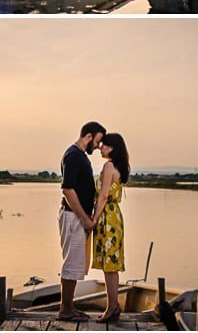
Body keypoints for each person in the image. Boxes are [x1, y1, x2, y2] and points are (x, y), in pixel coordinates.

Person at [58, 120, 106, 322]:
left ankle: (69, 307)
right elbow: (68, 189)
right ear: (89, 135)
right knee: (71, 263)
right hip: (73, 217)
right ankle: (65, 310)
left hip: (76, 217)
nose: (98, 146)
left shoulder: (78, 156)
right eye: (97, 141)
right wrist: (85, 218)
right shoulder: (74, 156)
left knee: (76, 264)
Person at [90, 133, 130, 323]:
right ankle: (113, 306)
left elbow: (103, 196)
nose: (100, 148)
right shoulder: (120, 167)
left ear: (112, 148)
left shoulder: (108, 166)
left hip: (107, 217)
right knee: (111, 265)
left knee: (109, 265)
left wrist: (93, 219)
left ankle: (112, 307)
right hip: (116, 217)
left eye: (104, 145)